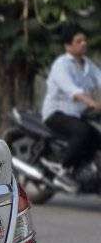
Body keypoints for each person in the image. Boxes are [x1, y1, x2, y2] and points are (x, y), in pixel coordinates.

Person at [42, 24, 101, 179]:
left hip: (77, 115)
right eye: (79, 41)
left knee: (97, 136)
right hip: (57, 113)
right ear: (68, 45)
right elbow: (72, 90)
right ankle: (63, 168)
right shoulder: (61, 65)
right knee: (83, 131)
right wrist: (92, 103)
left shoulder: (87, 64)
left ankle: (83, 171)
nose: (84, 43)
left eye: (84, 40)